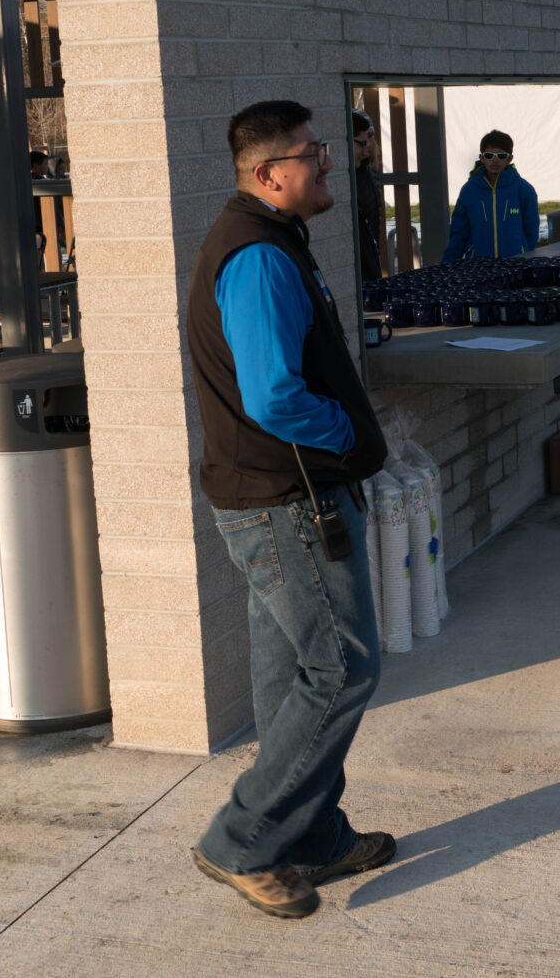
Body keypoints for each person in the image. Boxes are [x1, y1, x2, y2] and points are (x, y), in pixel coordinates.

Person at [184, 99, 394, 920]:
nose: (330, 161)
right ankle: (241, 841)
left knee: (288, 681)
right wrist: (350, 435)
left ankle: (311, 837)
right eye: (314, 153)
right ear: (270, 174)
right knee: (344, 668)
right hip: (289, 503)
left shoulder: (271, 241)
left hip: (277, 499)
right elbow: (273, 396)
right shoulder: (260, 257)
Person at [441, 129, 538, 262]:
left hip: (515, 265)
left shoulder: (524, 189)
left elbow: (531, 231)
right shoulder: (469, 190)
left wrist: (525, 256)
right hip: (478, 266)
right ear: (481, 158)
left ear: (510, 158)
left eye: (501, 156)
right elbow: (459, 233)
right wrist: (446, 264)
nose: (495, 160)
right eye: (489, 155)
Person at [351, 110, 386, 281]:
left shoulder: (368, 170)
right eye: (364, 141)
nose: (369, 145)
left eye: (371, 137)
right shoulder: (354, 174)